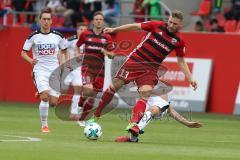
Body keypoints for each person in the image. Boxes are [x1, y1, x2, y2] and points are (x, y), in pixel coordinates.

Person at [90, 10, 198, 133]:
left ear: (180, 25)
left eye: (175, 24)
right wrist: (114, 30)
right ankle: (96, 115)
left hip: (150, 69)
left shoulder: (178, 40)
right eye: (170, 22)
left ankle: (133, 123)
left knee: (144, 95)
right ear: (168, 20)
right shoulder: (156, 25)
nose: (172, 25)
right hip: (135, 60)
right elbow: (135, 26)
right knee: (114, 86)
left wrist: (191, 79)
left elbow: (181, 61)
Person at [21, 8, 69, 133]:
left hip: (54, 71)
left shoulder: (58, 36)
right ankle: (44, 125)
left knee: (54, 102)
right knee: (45, 98)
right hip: (40, 70)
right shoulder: (33, 36)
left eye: (48, 19)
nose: (46, 21)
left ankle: (41, 92)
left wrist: (66, 62)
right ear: (40, 20)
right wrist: (30, 60)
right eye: (44, 19)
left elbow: (65, 50)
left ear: (52, 21)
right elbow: (23, 52)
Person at [75, 11, 115, 122]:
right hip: (87, 67)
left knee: (92, 97)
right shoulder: (85, 34)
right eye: (97, 19)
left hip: (100, 70)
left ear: (103, 22)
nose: (99, 21)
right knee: (88, 89)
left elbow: (112, 55)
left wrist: (105, 52)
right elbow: (77, 46)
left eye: (101, 19)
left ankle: (82, 119)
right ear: (93, 21)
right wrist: (77, 54)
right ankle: (80, 103)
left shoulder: (107, 37)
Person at [115, 94, 203, 142]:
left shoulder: (164, 101)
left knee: (152, 110)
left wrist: (187, 123)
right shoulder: (147, 85)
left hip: (157, 105)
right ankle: (133, 139)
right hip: (147, 102)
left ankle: (137, 128)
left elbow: (174, 113)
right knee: (138, 114)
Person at [60, 23, 88, 126]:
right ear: (77, 30)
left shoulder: (88, 41)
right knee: (61, 92)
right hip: (68, 69)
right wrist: (62, 63)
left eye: (85, 29)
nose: (83, 31)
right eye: (81, 29)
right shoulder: (71, 40)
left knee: (79, 89)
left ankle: (74, 113)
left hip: (79, 70)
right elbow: (61, 49)